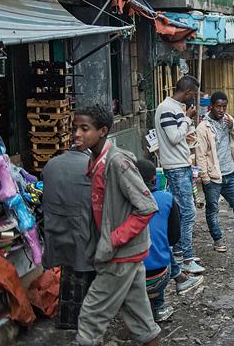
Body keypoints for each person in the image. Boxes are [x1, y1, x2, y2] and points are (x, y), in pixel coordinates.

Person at [73, 105, 160, 346]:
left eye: (84, 129)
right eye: (75, 128)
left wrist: (113, 240)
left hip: (121, 254)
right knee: (140, 319)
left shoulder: (117, 163)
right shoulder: (96, 162)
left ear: (102, 131)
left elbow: (147, 206)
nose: (76, 134)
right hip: (126, 253)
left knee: (91, 318)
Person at [136, 159, 203, 322]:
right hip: (159, 276)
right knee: (160, 245)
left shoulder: (120, 202)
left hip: (124, 275)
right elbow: (174, 238)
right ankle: (159, 306)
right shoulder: (166, 198)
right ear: (154, 179)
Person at [154, 75, 204, 274]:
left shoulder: (175, 108)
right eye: (194, 94)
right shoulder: (167, 108)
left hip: (181, 164)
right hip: (175, 166)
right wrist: (187, 119)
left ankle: (180, 252)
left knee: (183, 211)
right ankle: (187, 259)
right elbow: (174, 137)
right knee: (188, 212)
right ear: (188, 92)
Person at [41, 148, 95, 330]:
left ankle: (65, 319)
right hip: (81, 229)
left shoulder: (51, 165)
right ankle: (82, 320)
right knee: (83, 274)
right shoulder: (90, 165)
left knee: (67, 271)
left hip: (56, 229)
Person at [195, 91, 234, 253]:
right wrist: (205, 178)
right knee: (213, 209)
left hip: (230, 174)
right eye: (218, 106)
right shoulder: (203, 127)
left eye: (224, 106)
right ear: (211, 106)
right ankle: (217, 240)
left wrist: (232, 127)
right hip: (213, 176)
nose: (222, 110)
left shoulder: (228, 120)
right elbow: (200, 155)